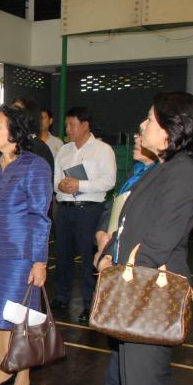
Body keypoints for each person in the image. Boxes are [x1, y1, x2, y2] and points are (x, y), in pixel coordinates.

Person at [95, 92, 193, 385]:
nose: (142, 125)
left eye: (150, 120)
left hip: (150, 295)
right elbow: (130, 225)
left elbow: (158, 243)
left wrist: (120, 268)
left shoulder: (183, 173)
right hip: (135, 288)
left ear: (171, 129)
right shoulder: (162, 167)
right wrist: (111, 252)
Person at [0, 106, 52, 385]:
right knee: (0, 316)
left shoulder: (35, 166)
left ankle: (23, 379)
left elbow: (41, 217)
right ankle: (4, 369)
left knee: (21, 319)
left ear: (15, 131)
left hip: (22, 253)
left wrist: (39, 261)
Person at [86, 134, 156, 385]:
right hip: (115, 258)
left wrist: (113, 245)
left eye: (144, 132)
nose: (137, 138)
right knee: (117, 328)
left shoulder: (161, 176)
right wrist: (102, 234)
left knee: (136, 334)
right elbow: (113, 206)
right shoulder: (135, 172)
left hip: (139, 264)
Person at [52, 106, 116, 324]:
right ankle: (62, 295)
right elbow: (56, 182)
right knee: (62, 255)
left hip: (89, 210)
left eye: (72, 125)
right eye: (66, 125)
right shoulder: (64, 150)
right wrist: (61, 185)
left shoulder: (103, 150)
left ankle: (90, 303)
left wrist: (80, 184)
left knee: (89, 259)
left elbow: (109, 181)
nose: (68, 130)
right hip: (65, 209)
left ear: (85, 125)